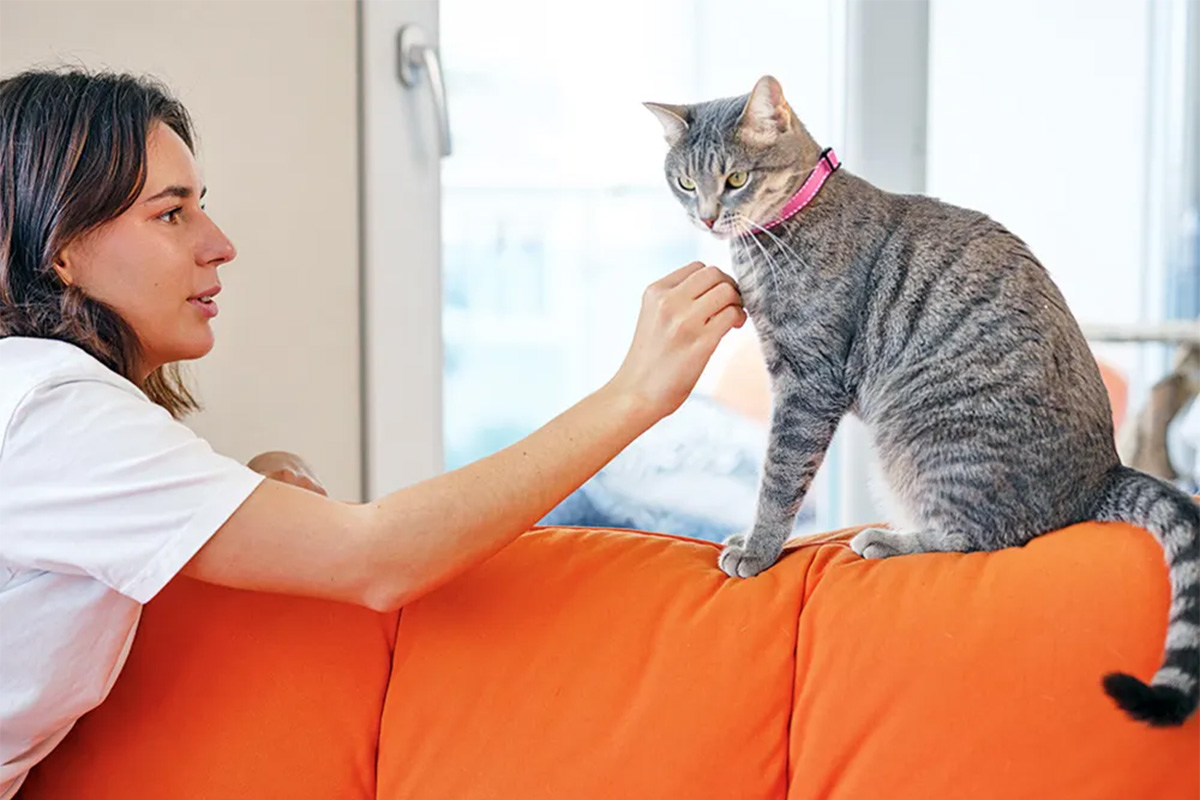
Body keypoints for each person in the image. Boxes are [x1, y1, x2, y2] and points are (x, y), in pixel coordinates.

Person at [0, 69, 745, 797]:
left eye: (202, 206)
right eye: (171, 214)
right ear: (60, 248)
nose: (219, 243)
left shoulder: (40, 401)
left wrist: (255, 484)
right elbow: (378, 559)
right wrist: (634, 395)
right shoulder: (54, 410)